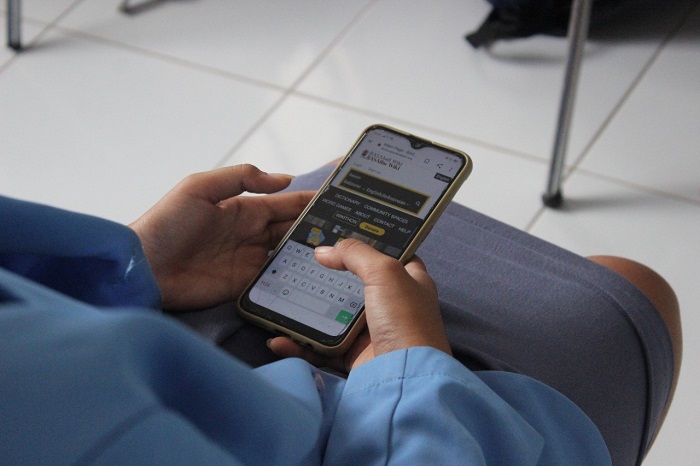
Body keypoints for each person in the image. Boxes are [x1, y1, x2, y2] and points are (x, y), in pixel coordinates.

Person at [0, 163, 679, 465]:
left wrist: (131, 269)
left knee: (325, 188)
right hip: (389, 426)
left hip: (142, 333)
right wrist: (407, 363)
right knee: (633, 285)